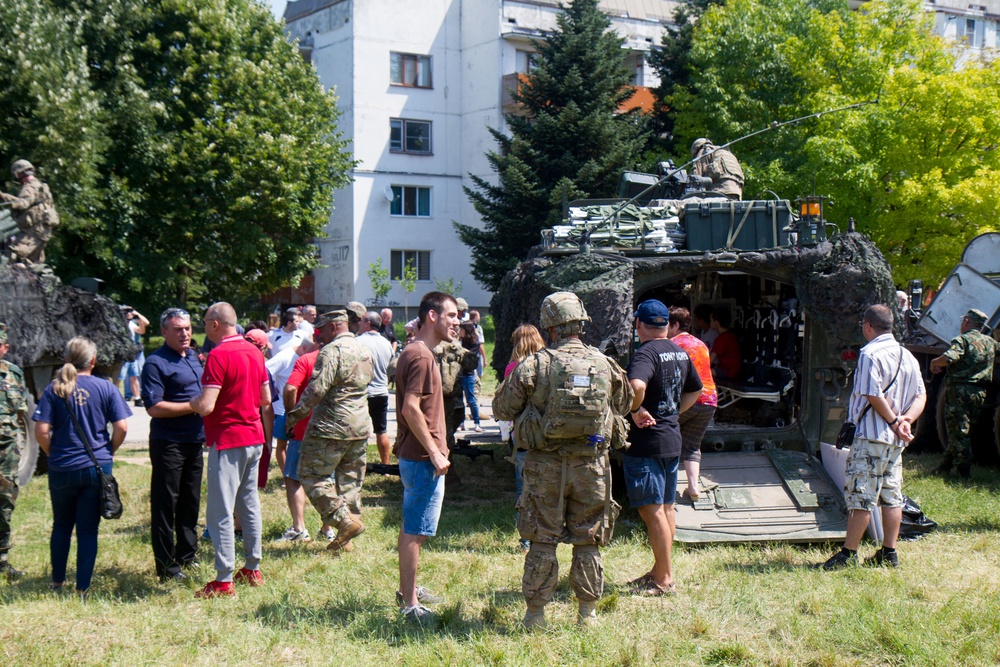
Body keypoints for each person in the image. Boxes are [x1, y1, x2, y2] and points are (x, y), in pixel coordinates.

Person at [493, 292, 633, 630]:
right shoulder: (604, 364)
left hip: (544, 466)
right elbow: (625, 403)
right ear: (580, 323)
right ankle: (588, 615)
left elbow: (502, 409)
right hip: (592, 465)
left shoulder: (535, 364)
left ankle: (535, 616)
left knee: (542, 539)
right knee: (588, 539)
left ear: (550, 326)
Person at [822, 304, 925, 570]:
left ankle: (849, 554)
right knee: (892, 495)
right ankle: (889, 552)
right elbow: (921, 396)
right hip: (895, 442)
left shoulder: (869, 353)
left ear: (868, 326)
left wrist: (892, 421)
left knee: (861, 495)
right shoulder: (908, 356)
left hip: (872, 435)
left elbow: (871, 393)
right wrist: (906, 421)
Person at [33, 337, 131, 596]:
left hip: (62, 466)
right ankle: (83, 588)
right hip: (96, 467)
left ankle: (56, 582)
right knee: (88, 529)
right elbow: (121, 427)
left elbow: (41, 431)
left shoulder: (55, 388)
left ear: (66, 358)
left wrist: (52, 453)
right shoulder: (106, 387)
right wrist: (108, 452)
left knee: (62, 525)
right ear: (94, 360)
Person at [190, 302, 273, 598]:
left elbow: (207, 404)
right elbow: (265, 397)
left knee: (221, 511)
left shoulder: (217, 355)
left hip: (228, 440)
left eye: (204, 322)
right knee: (249, 504)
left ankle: (224, 579)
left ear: (215, 324)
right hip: (254, 437)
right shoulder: (254, 351)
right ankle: (253, 566)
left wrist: (192, 403)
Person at [623, 300, 703, 596]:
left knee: (651, 510)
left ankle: (664, 579)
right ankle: (660, 571)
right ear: (667, 325)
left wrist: (635, 410)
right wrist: (672, 412)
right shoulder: (678, 350)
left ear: (639, 325)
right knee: (667, 508)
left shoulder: (645, 352)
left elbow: (635, 387)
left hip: (647, 443)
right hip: (671, 437)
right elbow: (696, 389)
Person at [394, 291, 460, 623]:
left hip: (419, 456)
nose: (457, 322)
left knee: (413, 528)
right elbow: (410, 408)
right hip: (422, 458)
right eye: (451, 315)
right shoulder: (420, 355)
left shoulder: (420, 352)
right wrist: (434, 452)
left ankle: (411, 590)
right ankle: (409, 605)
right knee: (415, 531)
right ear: (431, 316)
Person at [285, 310, 374, 552]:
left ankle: (344, 522)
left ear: (334, 326)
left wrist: (293, 417)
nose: (318, 334)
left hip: (331, 427)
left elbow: (316, 390)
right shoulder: (365, 350)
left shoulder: (331, 351)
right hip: (360, 426)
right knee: (350, 483)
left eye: (321, 329)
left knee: (311, 476)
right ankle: (348, 538)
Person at [140, 308, 205, 582]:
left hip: (195, 440)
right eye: (178, 329)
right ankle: (166, 566)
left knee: (190, 501)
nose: (185, 333)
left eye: (188, 328)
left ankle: (187, 555)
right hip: (169, 442)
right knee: (166, 504)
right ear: (164, 331)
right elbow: (154, 407)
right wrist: (191, 406)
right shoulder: (155, 363)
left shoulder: (192, 356)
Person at [930, 308, 998, 479]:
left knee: (959, 432)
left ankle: (964, 472)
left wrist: (934, 362)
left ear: (967, 321)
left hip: (959, 391)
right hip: (979, 393)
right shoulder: (990, 342)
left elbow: (950, 357)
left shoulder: (962, 340)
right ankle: (944, 467)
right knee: (963, 431)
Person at [502, 323, 546, 554]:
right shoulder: (549, 366)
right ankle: (545, 535)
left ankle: (526, 540)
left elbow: (508, 406)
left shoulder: (512, 368)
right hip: (546, 436)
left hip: (521, 436)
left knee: (523, 488)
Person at [667, 306, 718, 500]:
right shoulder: (701, 344)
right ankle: (694, 487)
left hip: (687, 399)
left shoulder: (673, 344)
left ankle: (664, 487)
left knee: (666, 437)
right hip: (710, 400)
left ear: (675, 325)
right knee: (692, 446)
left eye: (666, 324)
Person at [0, 323, 28, 577]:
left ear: (5, 348)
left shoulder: (14, 374)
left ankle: (2, 558)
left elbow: (20, 413)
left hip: (7, 451)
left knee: (5, 503)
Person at [0, 159, 60, 265]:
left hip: (33, 233)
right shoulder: (40, 186)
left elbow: (22, 203)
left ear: (19, 173)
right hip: (42, 232)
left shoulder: (29, 188)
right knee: (31, 264)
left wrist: (2, 196)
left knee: (10, 256)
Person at [358, 311, 395, 464]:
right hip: (381, 392)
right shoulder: (387, 343)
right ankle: (385, 465)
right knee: (381, 431)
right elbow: (392, 367)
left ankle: (358, 465)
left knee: (359, 432)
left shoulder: (358, 341)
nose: (359, 323)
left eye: (361, 321)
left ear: (367, 323)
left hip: (363, 393)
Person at [458, 322, 483, 432]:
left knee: (471, 400)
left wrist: (459, 348)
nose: (460, 332)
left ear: (466, 330)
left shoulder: (474, 342)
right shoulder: (461, 341)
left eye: (461, 330)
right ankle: (461, 423)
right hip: (458, 373)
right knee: (459, 400)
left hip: (468, 374)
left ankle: (477, 423)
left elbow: (469, 355)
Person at [710, 308, 741, 380]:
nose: (710, 322)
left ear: (716, 322)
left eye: (711, 320)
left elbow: (710, 360)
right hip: (734, 369)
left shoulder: (720, 339)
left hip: (728, 371)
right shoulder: (731, 335)